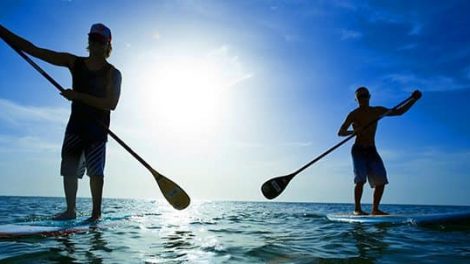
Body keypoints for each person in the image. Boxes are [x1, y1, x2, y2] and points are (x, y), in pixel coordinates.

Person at [0, 23, 121, 221]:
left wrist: (77, 96)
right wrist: (3, 31)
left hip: (97, 130)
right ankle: (70, 211)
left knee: (95, 172)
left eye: (99, 40)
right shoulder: (74, 62)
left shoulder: (113, 73)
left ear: (107, 45)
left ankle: (96, 214)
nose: (93, 42)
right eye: (91, 38)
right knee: (69, 168)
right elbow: (35, 50)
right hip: (75, 127)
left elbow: (111, 103)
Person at [338, 87, 421, 215]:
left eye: (365, 95)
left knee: (381, 180)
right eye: (360, 97)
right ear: (356, 99)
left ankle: (375, 209)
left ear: (369, 97)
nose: (363, 98)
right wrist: (354, 132)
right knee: (360, 180)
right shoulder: (353, 114)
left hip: (372, 149)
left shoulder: (377, 111)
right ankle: (357, 209)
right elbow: (341, 132)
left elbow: (399, 112)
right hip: (358, 150)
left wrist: (413, 99)